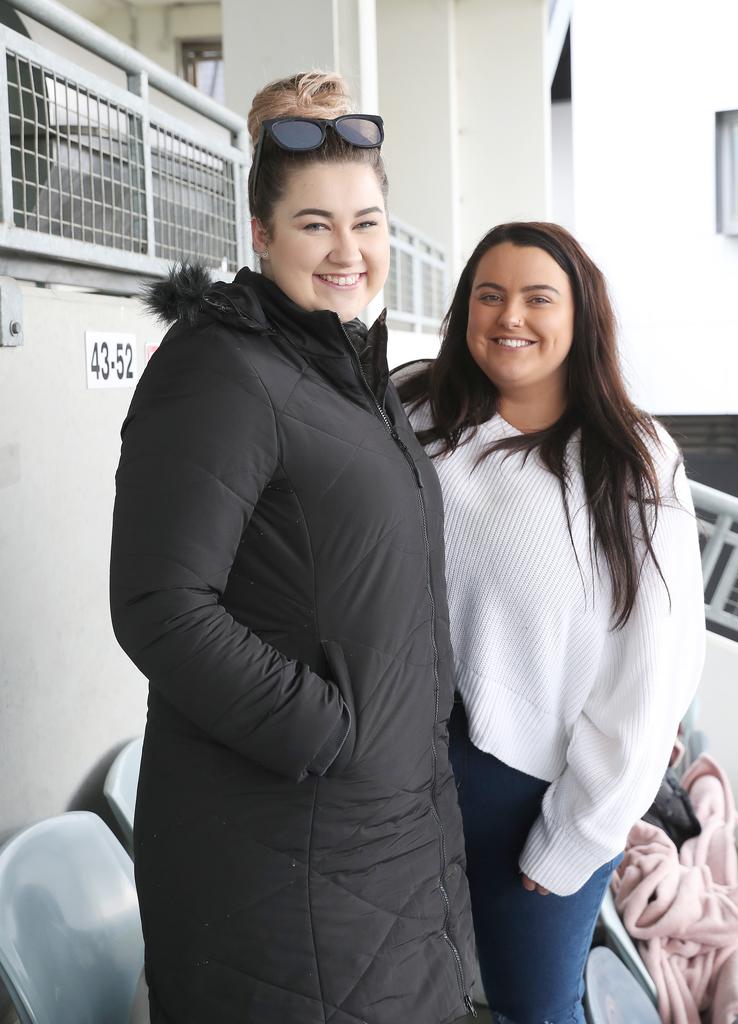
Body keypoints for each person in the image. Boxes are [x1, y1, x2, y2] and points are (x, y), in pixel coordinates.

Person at [110, 71, 475, 1024]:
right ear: (262, 234)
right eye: (315, 224)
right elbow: (159, 604)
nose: (348, 250)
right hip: (283, 849)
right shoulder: (220, 367)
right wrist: (329, 735)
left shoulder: (347, 369)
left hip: (384, 838)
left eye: (366, 221)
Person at [396, 221, 705, 1024]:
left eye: (539, 298)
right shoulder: (415, 411)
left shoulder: (634, 463)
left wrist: (577, 830)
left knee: (532, 1009)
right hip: (391, 768)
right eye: (489, 296)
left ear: (581, 318)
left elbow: (653, 674)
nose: (510, 318)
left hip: (531, 788)